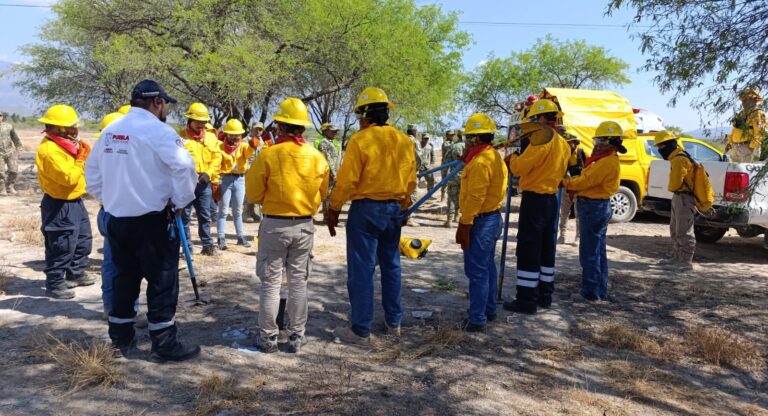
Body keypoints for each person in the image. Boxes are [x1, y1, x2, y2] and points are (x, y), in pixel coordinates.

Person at [86, 79, 200, 362]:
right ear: (157, 102)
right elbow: (185, 166)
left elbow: (92, 174)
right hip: (152, 223)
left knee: (123, 281)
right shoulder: (158, 131)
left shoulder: (111, 131)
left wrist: (111, 198)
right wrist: (180, 202)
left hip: (117, 219)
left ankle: (121, 340)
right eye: (165, 105)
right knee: (162, 282)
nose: (166, 111)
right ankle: (164, 345)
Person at [327, 87, 416, 345]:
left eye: (359, 115)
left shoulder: (360, 140)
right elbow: (410, 180)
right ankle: (394, 323)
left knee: (362, 269)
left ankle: (361, 329)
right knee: (391, 266)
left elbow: (347, 180)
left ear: (366, 115)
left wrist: (334, 208)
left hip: (366, 211)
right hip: (393, 211)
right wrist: (404, 205)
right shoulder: (404, 141)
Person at [245, 97, 329, 353]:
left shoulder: (269, 154)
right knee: (298, 283)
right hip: (304, 226)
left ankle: (268, 338)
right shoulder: (316, 157)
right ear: (302, 128)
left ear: (280, 126)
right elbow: (322, 193)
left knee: (271, 284)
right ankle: (296, 337)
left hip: (274, 226)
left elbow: (254, 194)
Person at [504, 99, 570, 315]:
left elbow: (520, 168)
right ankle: (544, 296)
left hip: (535, 201)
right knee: (546, 249)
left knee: (529, 249)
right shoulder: (563, 142)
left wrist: (512, 158)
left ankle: (526, 300)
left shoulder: (541, 141)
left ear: (541, 118)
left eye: (533, 119)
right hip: (551, 200)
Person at [35, 104, 95, 299]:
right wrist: (81, 159)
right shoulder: (50, 151)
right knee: (62, 245)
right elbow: (68, 178)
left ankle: (75, 273)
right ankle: (55, 283)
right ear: (59, 128)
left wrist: (81, 154)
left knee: (83, 240)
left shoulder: (63, 145)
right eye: (71, 127)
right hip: (59, 204)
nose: (75, 130)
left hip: (74, 201)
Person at [454, 113, 508, 332]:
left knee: (477, 272)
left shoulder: (480, 162)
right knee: (487, 268)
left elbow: (476, 197)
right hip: (492, 219)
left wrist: (465, 223)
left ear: (475, 139)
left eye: (468, 138)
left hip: (480, 221)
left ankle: (477, 318)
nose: (466, 142)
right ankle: (488, 309)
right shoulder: (493, 156)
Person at [563, 121, 624, 301]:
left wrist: (565, 182)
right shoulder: (606, 159)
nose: (596, 145)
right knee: (598, 251)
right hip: (597, 206)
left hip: (593, 206)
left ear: (608, 142)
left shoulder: (606, 162)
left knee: (589, 251)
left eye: (599, 141)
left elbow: (584, 181)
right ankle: (599, 289)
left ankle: (590, 292)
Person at [93, 111, 139, 318]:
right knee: (125, 265)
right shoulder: (125, 155)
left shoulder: (102, 151)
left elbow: (92, 183)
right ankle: (122, 311)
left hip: (108, 210)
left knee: (113, 263)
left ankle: (112, 307)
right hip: (119, 214)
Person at [178, 102, 222, 256]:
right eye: (198, 122)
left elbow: (217, 157)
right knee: (184, 216)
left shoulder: (211, 137)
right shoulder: (180, 137)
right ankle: (187, 247)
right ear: (190, 120)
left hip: (204, 182)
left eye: (204, 122)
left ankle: (207, 246)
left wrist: (208, 173)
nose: (201, 125)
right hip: (186, 182)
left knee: (205, 215)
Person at [653, 130, 697, 271]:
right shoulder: (677, 157)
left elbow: (675, 184)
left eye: (661, 146)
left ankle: (685, 262)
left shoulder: (679, 160)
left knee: (683, 231)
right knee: (676, 229)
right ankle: (677, 257)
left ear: (668, 145)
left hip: (684, 197)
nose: (660, 150)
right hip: (680, 196)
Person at [216, 119, 255, 250]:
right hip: (225, 179)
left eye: (237, 135)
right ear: (226, 134)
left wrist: (252, 145)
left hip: (240, 179)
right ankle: (221, 238)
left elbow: (249, 153)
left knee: (237, 211)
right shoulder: (220, 146)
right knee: (223, 210)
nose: (234, 137)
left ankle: (240, 237)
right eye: (231, 135)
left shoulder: (243, 146)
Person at [558, 133, 587, 244]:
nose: (568, 145)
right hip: (565, 188)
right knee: (564, 213)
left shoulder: (581, 153)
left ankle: (578, 237)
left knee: (579, 214)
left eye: (570, 143)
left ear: (575, 143)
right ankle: (562, 236)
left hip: (578, 189)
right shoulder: (562, 154)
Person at [726, 87, 767, 162]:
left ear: (754, 100)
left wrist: (751, 147)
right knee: (735, 169)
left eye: (745, 99)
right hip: (735, 147)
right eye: (743, 100)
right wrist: (729, 143)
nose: (743, 102)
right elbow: (735, 130)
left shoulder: (757, 113)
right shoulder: (741, 114)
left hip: (748, 148)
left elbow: (760, 133)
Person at [316, 123, 342, 223]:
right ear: (326, 132)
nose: (335, 133)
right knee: (328, 196)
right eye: (333, 131)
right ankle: (327, 218)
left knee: (333, 196)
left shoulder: (331, 142)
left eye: (336, 131)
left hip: (335, 173)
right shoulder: (323, 143)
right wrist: (333, 174)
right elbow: (328, 160)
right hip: (329, 174)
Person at [243, 122, 265, 223]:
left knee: (256, 191)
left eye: (260, 129)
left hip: (259, 168)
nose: (258, 131)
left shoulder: (262, 141)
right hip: (249, 168)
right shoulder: (246, 140)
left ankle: (252, 212)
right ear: (252, 129)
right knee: (248, 192)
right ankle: (246, 213)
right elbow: (243, 154)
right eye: (256, 129)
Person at [443, 130, 466, 227]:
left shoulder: (453, 146)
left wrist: (444, 176)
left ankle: (449, 220)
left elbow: (446, 161)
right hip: (466, 176)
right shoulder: (470, 147)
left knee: (452, 197)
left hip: (454, 174)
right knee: (462, 197)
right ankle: (457, 216)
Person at [0, 111, 23, 196]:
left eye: (0, 116)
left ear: (2, 117)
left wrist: (19, 146)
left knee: (14, 170)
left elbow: (15, 137)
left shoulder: (8, 126)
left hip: (10, 151)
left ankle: (10, 186)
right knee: (1, 173)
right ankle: (2, 189)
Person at [406, 124, 423, 205]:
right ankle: (411, 207)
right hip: (412, 168)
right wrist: (417, 168)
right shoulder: (415, 141)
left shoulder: (403, 139)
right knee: (412, 188)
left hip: (403, 169)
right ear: (414, 132)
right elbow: (419, 156)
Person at [440, 129, 456, 201]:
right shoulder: (445, 143)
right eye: (451, 135)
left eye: (453, 135)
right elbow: (450, 147)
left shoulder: (453, 143)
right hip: (445, 164)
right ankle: (442, 195)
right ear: (447, 136)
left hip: (452, 163)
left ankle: (450, 196)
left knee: (453, 179)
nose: (452, 136)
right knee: (444, 180)